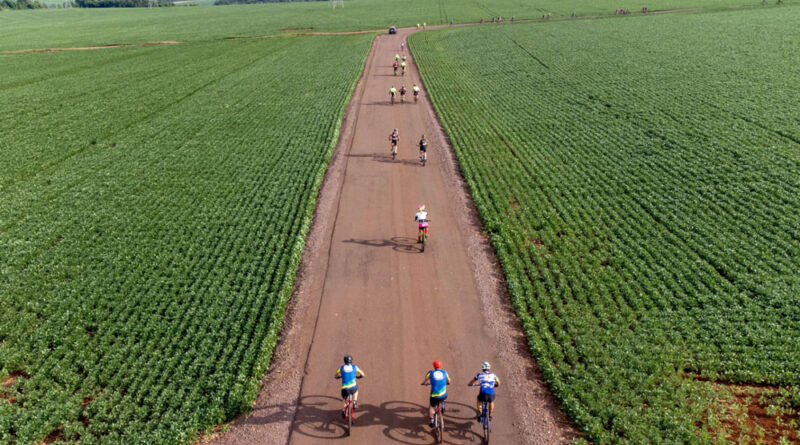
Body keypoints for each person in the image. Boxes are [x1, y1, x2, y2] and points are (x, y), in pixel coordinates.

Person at [421, 360, 451, 427]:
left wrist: (423, 383)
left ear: (433, 366)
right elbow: (449, 381)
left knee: (432, 406)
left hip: (434, 396)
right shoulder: (445, 372)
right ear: (441, 366)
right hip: (443, 395)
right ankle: (442, 405)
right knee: (443, 398)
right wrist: (447, 383)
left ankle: (431, 421)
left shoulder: (430, 373)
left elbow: (425, 380)